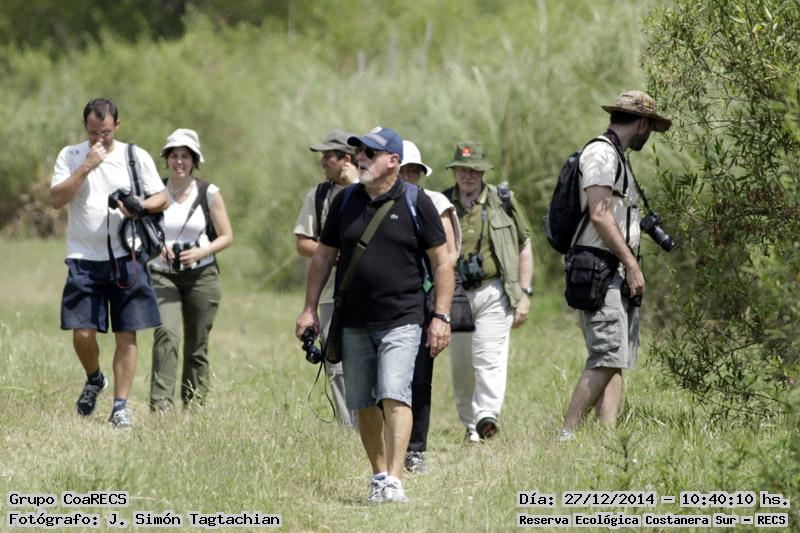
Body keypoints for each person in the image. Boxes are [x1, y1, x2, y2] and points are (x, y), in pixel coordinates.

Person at [295, 127, 454, 503]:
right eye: (359, 152)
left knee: (394, 393)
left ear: (393, 161)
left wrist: (441, 316)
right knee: (363, 402)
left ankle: (395, 480)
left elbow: (442, 262)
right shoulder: (345, 201)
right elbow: (322, 257)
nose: (360, 158)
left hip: (403, 318)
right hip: (353, 319)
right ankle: (379, 475)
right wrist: (309, 309)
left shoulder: (417, 201)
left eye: (370, 152)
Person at [50, 98, 168, 429]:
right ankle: (94, 378)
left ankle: (120, 407)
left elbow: (162, 198)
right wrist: (86, 166)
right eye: (92, 132)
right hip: (83, 259)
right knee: (82, 333)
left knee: (126, 334)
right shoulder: (71, 155)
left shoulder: (135, 156)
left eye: (105, 132)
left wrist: (140, 206)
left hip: (127, 256)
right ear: (84, 127)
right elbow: (56, 200)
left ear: (117, 125)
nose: (99, 139)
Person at [560, 90, 671, 440]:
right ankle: (567, 434)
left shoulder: (617, 156)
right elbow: (599, 213)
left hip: (613, 270)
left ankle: (605, 437)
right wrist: (631, 264)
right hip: (600, 267)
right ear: (642, 124)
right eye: (651, 128)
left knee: (616, 356)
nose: (649, 135)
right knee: (606, 355)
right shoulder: (602, 153)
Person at [444, 141, 533, 442]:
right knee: (461, 366)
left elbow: (524, 244)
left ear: (483, 172)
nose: (468, 175)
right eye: (462, 169)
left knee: (488, 358)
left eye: (474, 170)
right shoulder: (442, 203)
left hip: (494, 290)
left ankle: (487, 417)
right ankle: (471, 426)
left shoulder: (502, 200)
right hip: (456, 293)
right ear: (454, 171)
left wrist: (524, 292)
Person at [148, 129, 233, 411]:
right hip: (162, 274)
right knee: (166, 333)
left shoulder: (209, 192)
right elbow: (141, 228)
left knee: (198, 341)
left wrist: (201, 251)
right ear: (166, 159)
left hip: (201, 275)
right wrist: (158, 247)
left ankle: (194, 402)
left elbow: (226, 235)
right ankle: (161, 403)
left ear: (194, 160)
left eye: (185, 156)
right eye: (174, 155)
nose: (179, 162)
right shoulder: (155, 191)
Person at [397, 140, 460, 473]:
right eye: (403, 170)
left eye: (414, 171)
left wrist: (440, 311)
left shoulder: (435, 202)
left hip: (424, 296)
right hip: (388, 298)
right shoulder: (377, 202)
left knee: (420, 377)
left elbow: (449, 256)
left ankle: (415, 449)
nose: (408, 176)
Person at [293, 129, 359, 428]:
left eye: (328, 157)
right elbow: (302, 243)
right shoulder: (319, 196)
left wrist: (354, 185)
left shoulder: (369, 191)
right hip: (332, 292)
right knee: (335, 364)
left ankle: (372, 427)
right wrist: (333, 253)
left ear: (347, 159)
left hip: (369, 292)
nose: (322, 163)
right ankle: (349, 430)